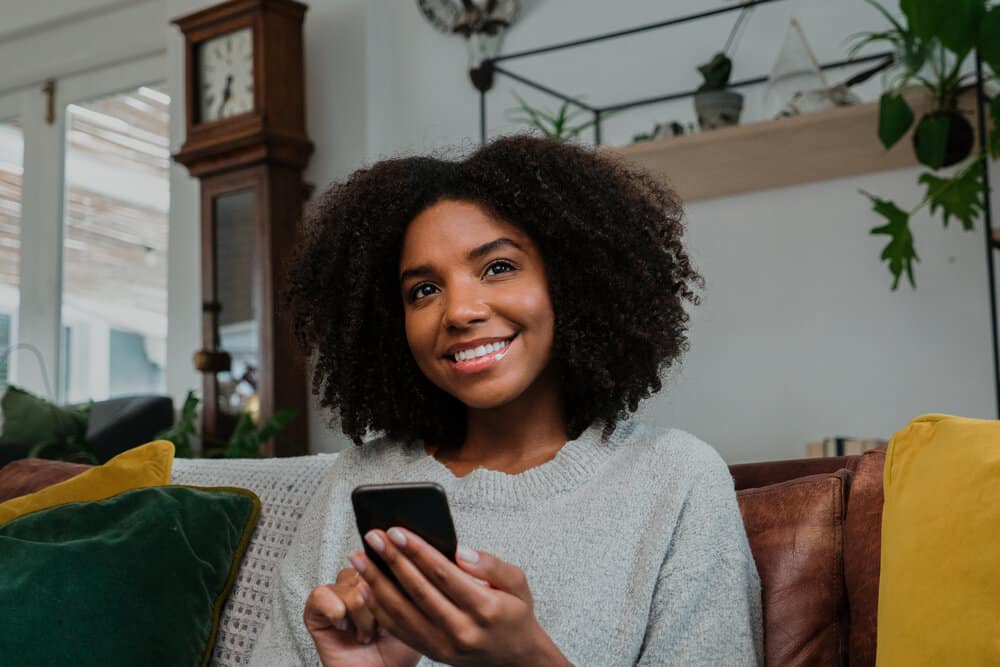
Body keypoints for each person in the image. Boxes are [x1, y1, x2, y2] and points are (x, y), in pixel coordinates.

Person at [248, 135, 763, 666]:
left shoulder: (675, 479)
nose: (459, 312)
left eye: (498, 267)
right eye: (423, 290)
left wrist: (528, 660)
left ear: (569, 281)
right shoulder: (355, 484)